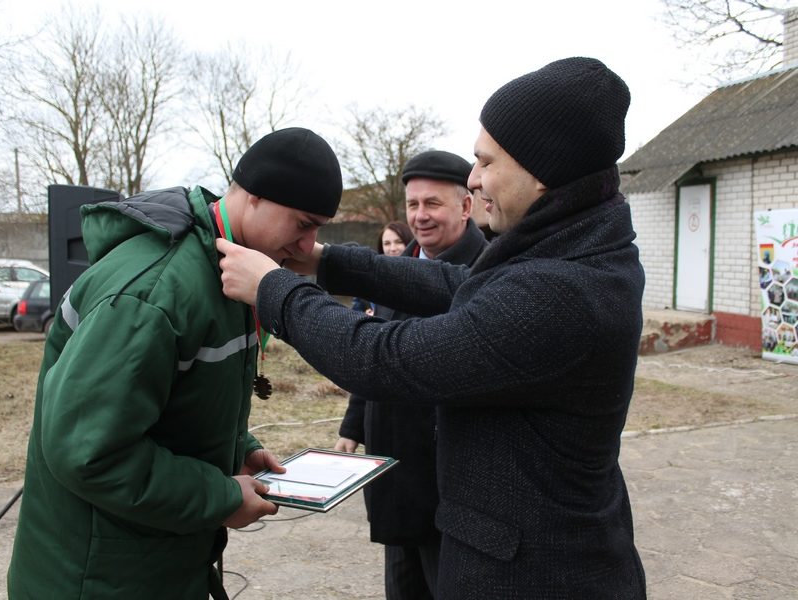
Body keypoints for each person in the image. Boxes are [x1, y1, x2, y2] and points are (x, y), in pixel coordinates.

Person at [216, 57, 647, 598]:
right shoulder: (572, 252)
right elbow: (453, 285)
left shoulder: (563, 291)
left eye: (486, 162)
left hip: (534, 576)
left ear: (542, 171)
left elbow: (387, 359)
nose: (474, 178)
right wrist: (324, 262)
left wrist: (274, 288)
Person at [7, 127, 343, 599]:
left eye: (318, 229)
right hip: (96, 579)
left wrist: (237, 447)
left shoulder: (227, 270)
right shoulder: (156, 293)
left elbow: (173, 397)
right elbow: (88, 451)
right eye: (304, 224)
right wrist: (221, 498)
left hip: (153, 563)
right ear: (254, 197)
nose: (309, 246)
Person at [335, 150, 488, 600]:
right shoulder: (394, 266)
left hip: (448, 484)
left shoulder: (487, 271)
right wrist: (353, 425)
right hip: (396, 472)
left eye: (432, 204)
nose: (420, 216)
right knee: (403, 589)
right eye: (412, 205)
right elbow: (374, 348)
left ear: (465, 206)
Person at [351, 221, 413, 315]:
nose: (393, 248)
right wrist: (364, 318)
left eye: (399, 242)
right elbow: (355, 314)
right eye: (387, 243)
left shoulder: (421, 277)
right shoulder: (367, 279)